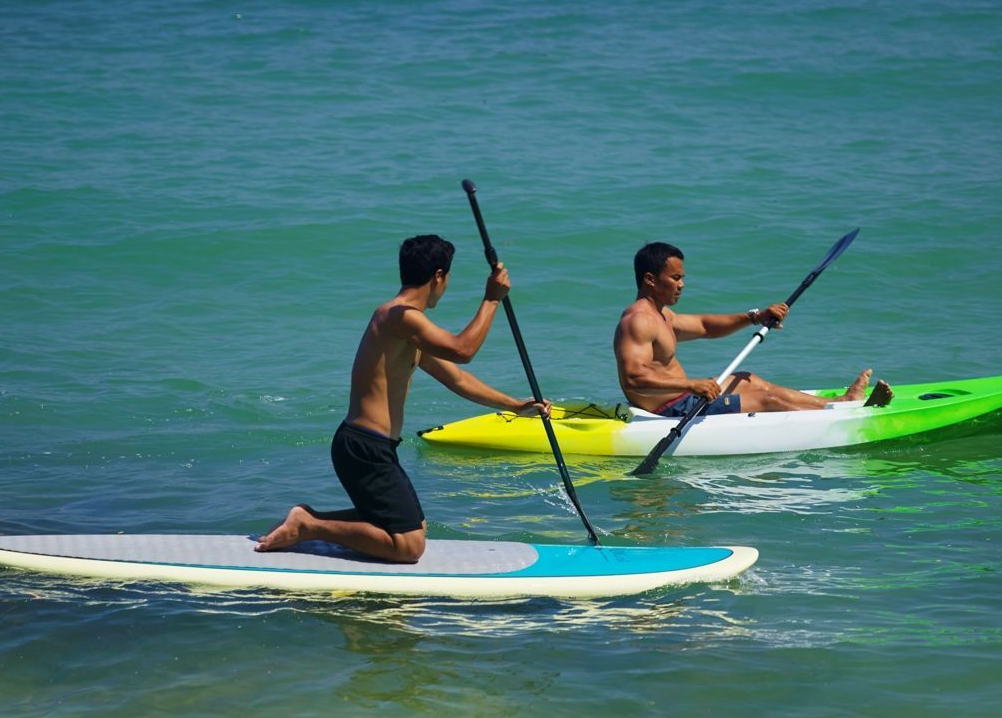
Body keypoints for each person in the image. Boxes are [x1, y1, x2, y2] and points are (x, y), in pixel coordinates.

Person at [257, 234, 549, 563]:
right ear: (438, 276)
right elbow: (462, 350)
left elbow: (456, 377)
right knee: (410, 546)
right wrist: (491, 300)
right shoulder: (399, 316)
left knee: (414, 526)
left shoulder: (405, 327)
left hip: (372, 447)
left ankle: (308, 518)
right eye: (448, 277)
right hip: (363, 447)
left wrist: (514, 405)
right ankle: (309, 526)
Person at [613, 241, 892, 417]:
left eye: (682, 278)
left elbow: (705, 326)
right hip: (673, 409)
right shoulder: (638, 320)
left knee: (748, 379)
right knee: (767, 399)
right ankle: (842, 411)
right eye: (675, 278)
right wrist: (691, 384)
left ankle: (841, 402)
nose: (682, 284)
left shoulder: (662, 315)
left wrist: (756, 316)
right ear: (650, 279)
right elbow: (634, 379)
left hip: (686, 396)